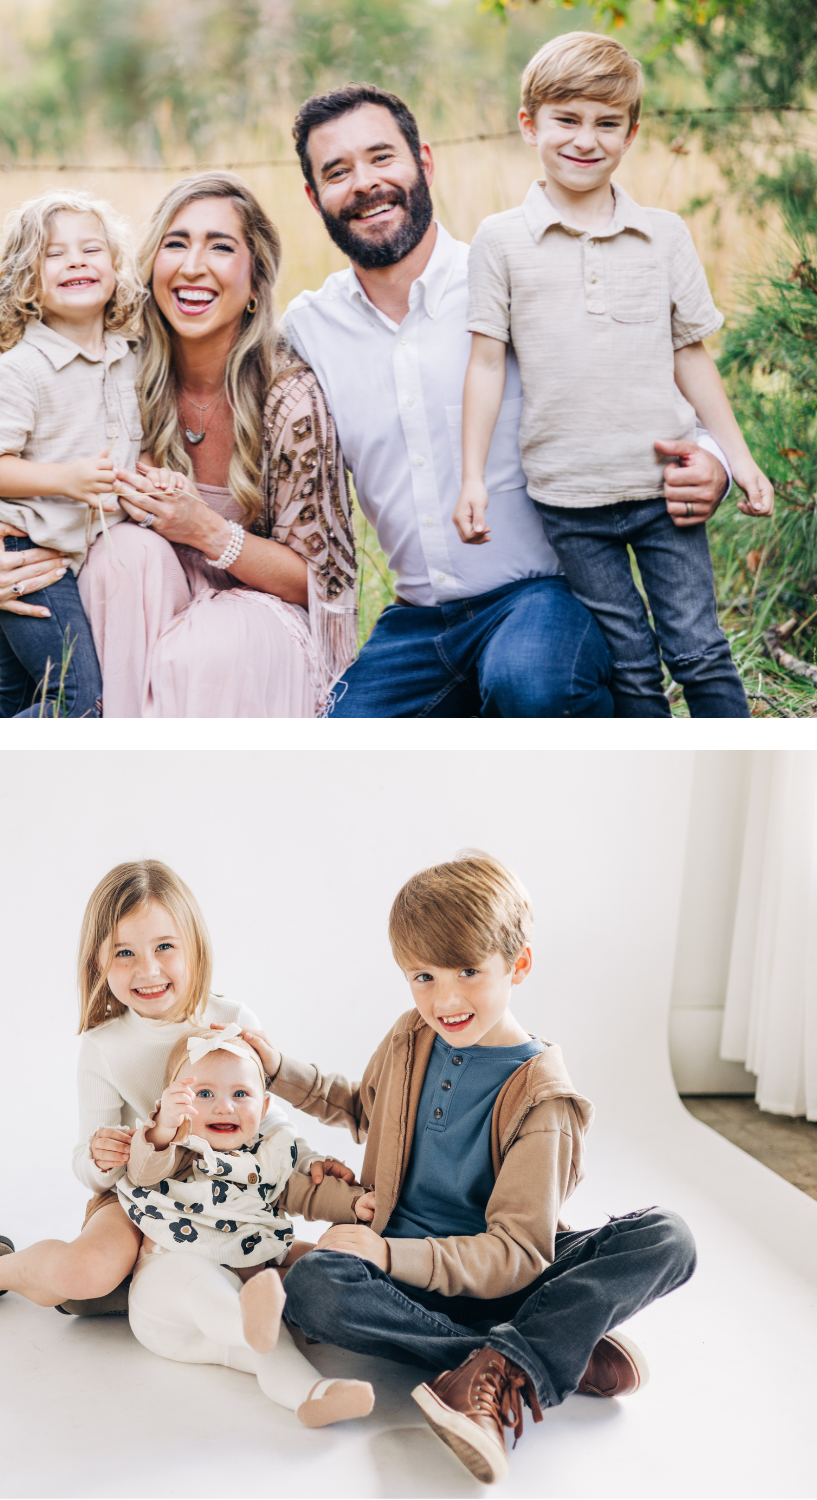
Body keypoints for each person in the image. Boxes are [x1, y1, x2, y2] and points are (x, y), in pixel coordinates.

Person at [236, 853, 697, 1484]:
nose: (445, 998)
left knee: (667, 1236)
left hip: (500, 1276)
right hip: (401, 1275)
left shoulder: (542, 1099)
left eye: (468, 971)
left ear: (519, 965)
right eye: (422, 977)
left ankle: (506, 1359)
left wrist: (386, 1256)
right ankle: (537, 1350)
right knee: (316, 1284)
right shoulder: (411, 1038)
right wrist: (276, 1069)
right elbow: (362, 1108)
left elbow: (517, 1255)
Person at [285, 83, 735, 717]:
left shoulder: (518, 278)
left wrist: (713, 458)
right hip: (419, 624)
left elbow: (658, 380)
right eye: (338, 171)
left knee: (531, 683)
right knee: (342, 749)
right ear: (314, 197)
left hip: (543, 597)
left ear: (425, 163)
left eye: (383, 157)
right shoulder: (306, 330)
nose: (365, 183)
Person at [0, 172, 357, 717]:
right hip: (140, 597)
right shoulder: (121, 363)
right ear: (148, 268)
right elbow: (32, 465)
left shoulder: (290, 399)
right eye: (175, 243)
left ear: (256, 280)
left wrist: (207, 530)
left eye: (220, 246)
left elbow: (323, 583)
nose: (193, 266)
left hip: (255, 616)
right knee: (125, 557)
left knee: (199, 653)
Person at [455, 32, 773, 717]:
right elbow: (485, 363)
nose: (585, 140)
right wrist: (473, 476)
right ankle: (651, 792)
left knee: (697, 649)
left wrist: (740, 461)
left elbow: (691, 353)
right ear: (529, 124)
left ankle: (728, 764)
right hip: (570, 501)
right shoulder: (501, 240)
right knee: (629, 659)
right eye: (567, 120)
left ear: (631, 133)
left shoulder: (664, 235)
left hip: (664, 491)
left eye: (606, 124)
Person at [0, 860, 353, 1312]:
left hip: (224, 1192)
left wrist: (309, 1162)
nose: (147, 970)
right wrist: (103, 1159)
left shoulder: (231, 1020)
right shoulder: (105, 1047)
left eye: (164, 947)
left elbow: (266, 1116)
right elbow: (87, 1163)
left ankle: (127, 1291)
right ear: (99, 962)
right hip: (139, 1192)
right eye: (125, 953)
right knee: (87, 1274)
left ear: (194, 946)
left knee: (287, 1276)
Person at [0, 189, 146, 717]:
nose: (76, 261)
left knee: (11, 705)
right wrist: (64, 479)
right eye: (54, 253)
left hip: (77, 555)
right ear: (27, 279)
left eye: (92, 248)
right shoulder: (24, 369)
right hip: (31, 557)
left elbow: (135, 444)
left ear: (115, 267)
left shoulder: (129, 356)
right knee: (76, 703)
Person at [123, 1025, 376, 1427]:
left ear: (264, 1107)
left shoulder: (266, 1161)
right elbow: (143, 1169)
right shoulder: (180, 1149)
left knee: (272, 1347)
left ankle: (313, 1395)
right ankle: (246, 1319)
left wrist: (356, 1204)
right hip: (168, 1304)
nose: (224, 1107)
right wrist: (164, 1127)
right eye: (203, 1094)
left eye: (240, 1094)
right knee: (196, 1278)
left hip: (231, 1327)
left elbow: (304, 1193)